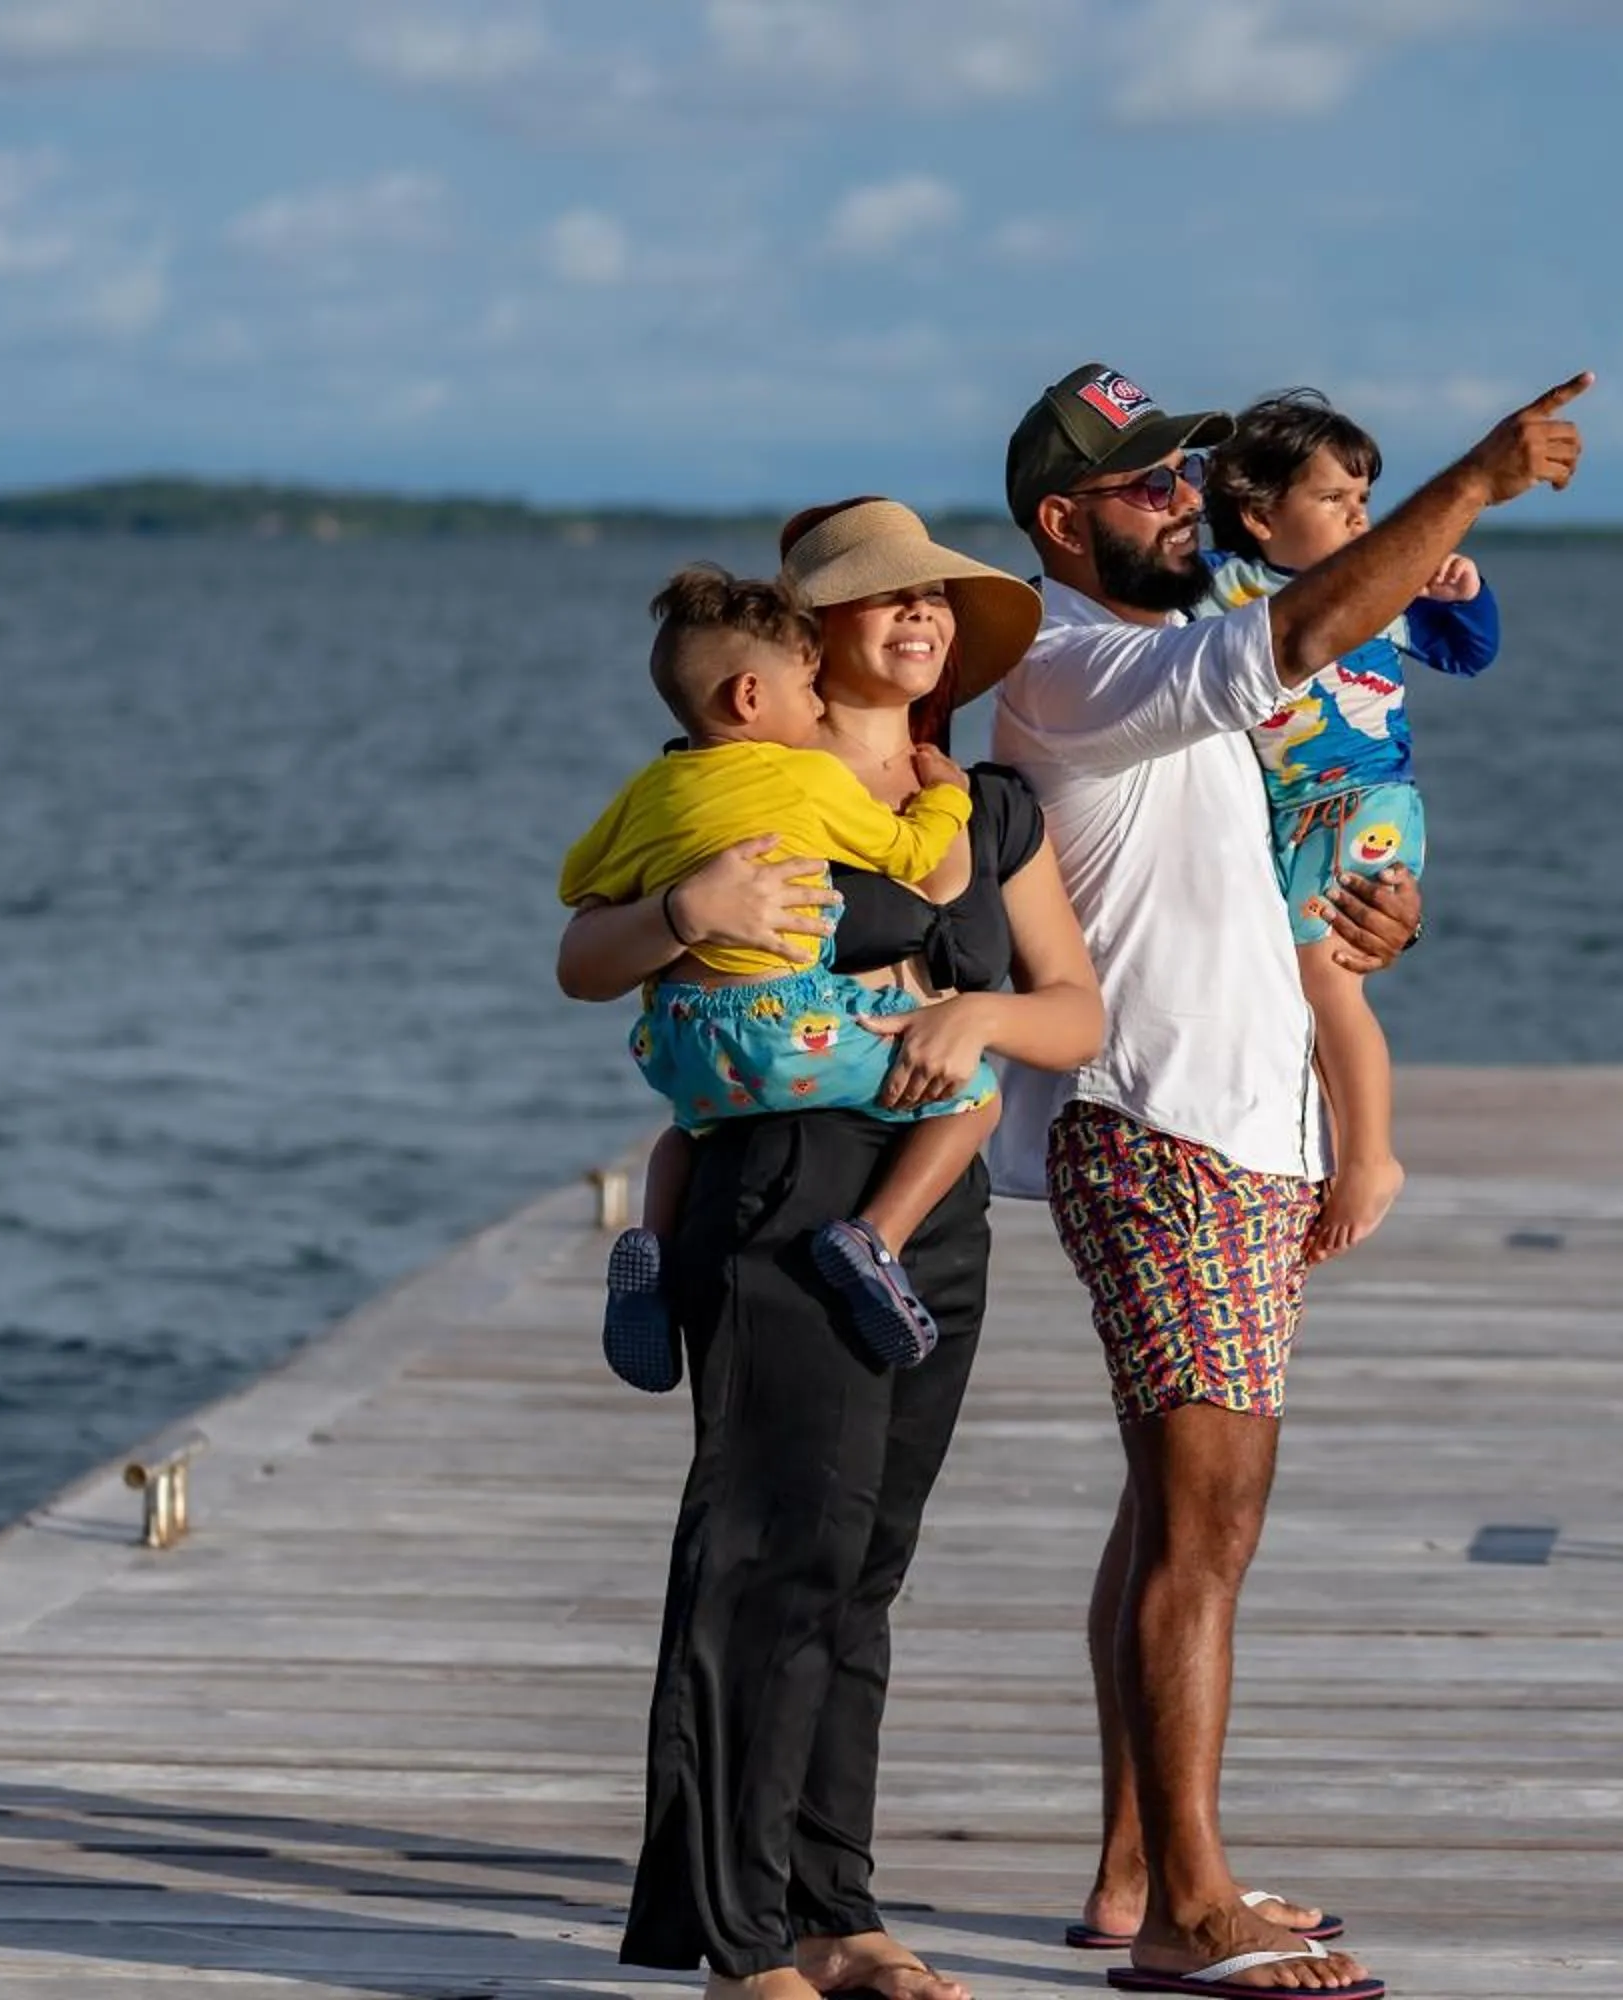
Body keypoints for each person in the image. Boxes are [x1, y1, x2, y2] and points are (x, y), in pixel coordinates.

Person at [989, 360, 1587, 2000]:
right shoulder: (1071, 659)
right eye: (1148, 486)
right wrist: (1470, 484)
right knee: (1210, 1523)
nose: (1184, 500)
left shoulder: (1152, 666)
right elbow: (1301, 634)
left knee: (1175, 1517)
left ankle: (1138, 1875)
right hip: (1167, 1129)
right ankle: (1191, 1908)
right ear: (1063, 525)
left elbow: (1249, 856)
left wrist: (1366, 926)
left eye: (1190, 475)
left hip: (1234, 1129)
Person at [557, 497, 1103, 2000]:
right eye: (886, 602)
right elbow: (584, 959)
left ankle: (834, 1912)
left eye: (939, 603)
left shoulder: (985, 807)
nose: (922, 619)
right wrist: (687, 908)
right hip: (782, 1185)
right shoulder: (726, 787)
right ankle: (741, 1948)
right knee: (766, 1562)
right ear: (809, 642)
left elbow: (1076, 1009)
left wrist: (981, 1014)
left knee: (863, 1567)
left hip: (935, 1212)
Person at [560, 562, 1008, 1390]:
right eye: (807, 687)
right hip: (785, 1022)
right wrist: (946, 797)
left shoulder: (646, 790)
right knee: (974, 1092)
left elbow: (579, 882)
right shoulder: (806, 776)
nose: (817, 703)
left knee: (685, 1132)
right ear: (749, 699)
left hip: (683, 1035)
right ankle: (876, 1237)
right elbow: (912, 857)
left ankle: (652, 1254)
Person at [1193, 389, 1502, 1259]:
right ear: (1258, 515)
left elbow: (1468, 652)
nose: (1361, 519)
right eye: (1335, 501)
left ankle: (1371, 1157)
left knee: (1329, 978)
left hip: (1367, 800)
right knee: (1297, 980)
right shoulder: (1225, 587)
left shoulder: (1379, 591)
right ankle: (1335, 1145)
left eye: (1365, 502)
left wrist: (1464, 589)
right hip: (1293, 810)